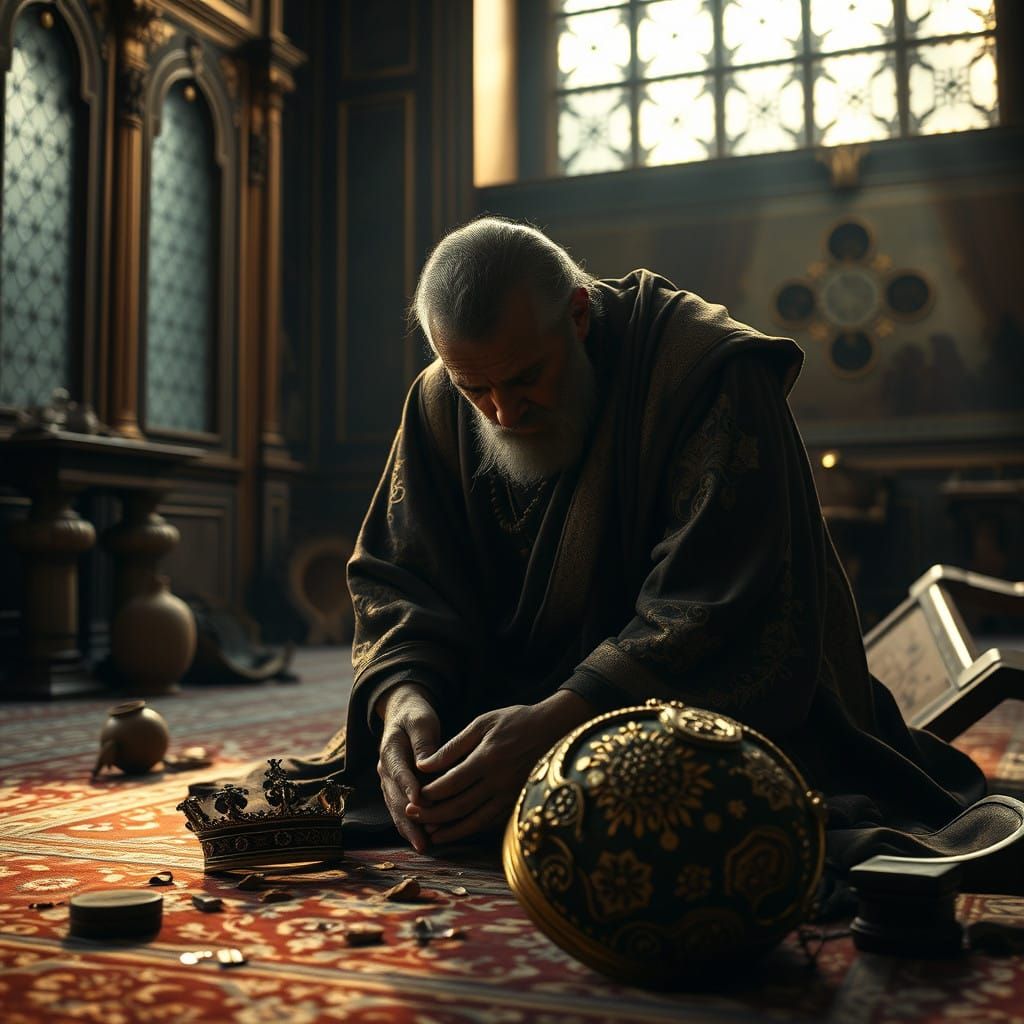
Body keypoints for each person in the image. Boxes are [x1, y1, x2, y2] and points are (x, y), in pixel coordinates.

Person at [342, 216, 985, 873]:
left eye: (527, 377)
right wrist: (404, 705)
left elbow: (723, 603)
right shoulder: (437, 401)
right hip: (500, 710)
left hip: (681, 708)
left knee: (685, 832)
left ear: (579, 314)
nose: (502, 412)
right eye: (474, 389)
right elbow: (399, 581)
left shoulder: (704, 372)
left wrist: (557, 723)